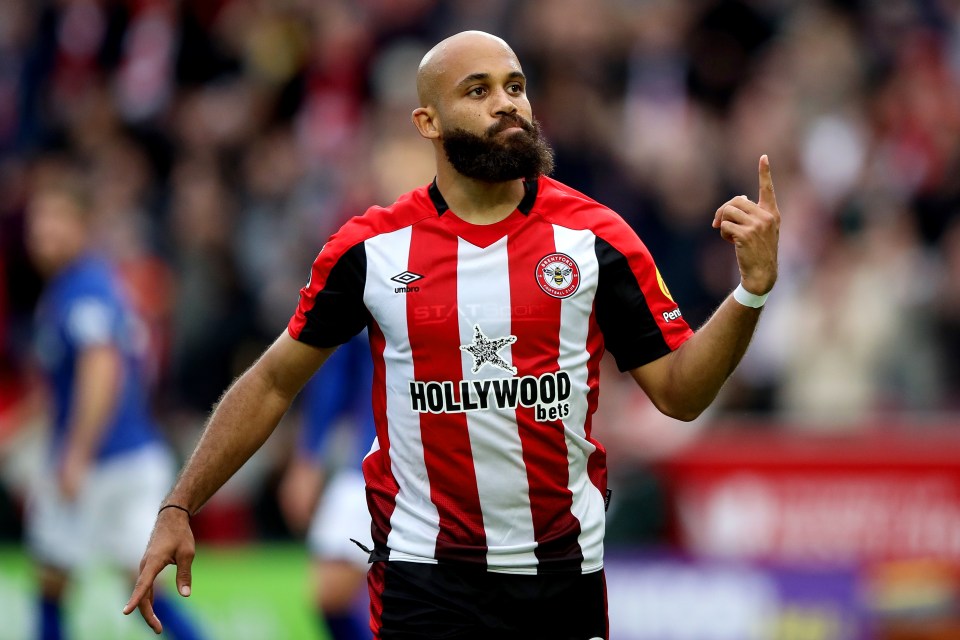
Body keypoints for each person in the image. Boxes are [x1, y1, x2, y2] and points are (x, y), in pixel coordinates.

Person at [125, 30, 780, 639]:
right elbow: (272, 382)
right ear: (427, 122)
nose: (507, 104)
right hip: (425, 578)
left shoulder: (596, 238)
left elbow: (681, 393)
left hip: (561, 577)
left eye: (515, 87)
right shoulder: (372, 250)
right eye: (479, 90)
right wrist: (180, 506)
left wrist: (750, 290)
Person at [24, 166, 205, 640]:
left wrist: (77, 453)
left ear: (83, 226)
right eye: (38, 219)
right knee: (129, 589)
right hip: (131, 456)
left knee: (57, 583)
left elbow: (102, 367)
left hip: (106, 463)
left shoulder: (83, 288)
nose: (44, 230)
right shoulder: (84, 285)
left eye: (57, 218)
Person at [278, 332, 376, 640]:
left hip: (457, 463)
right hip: (373, 458)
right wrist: (308, 458)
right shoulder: (371, 287)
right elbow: (336, 372)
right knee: (330, 593)